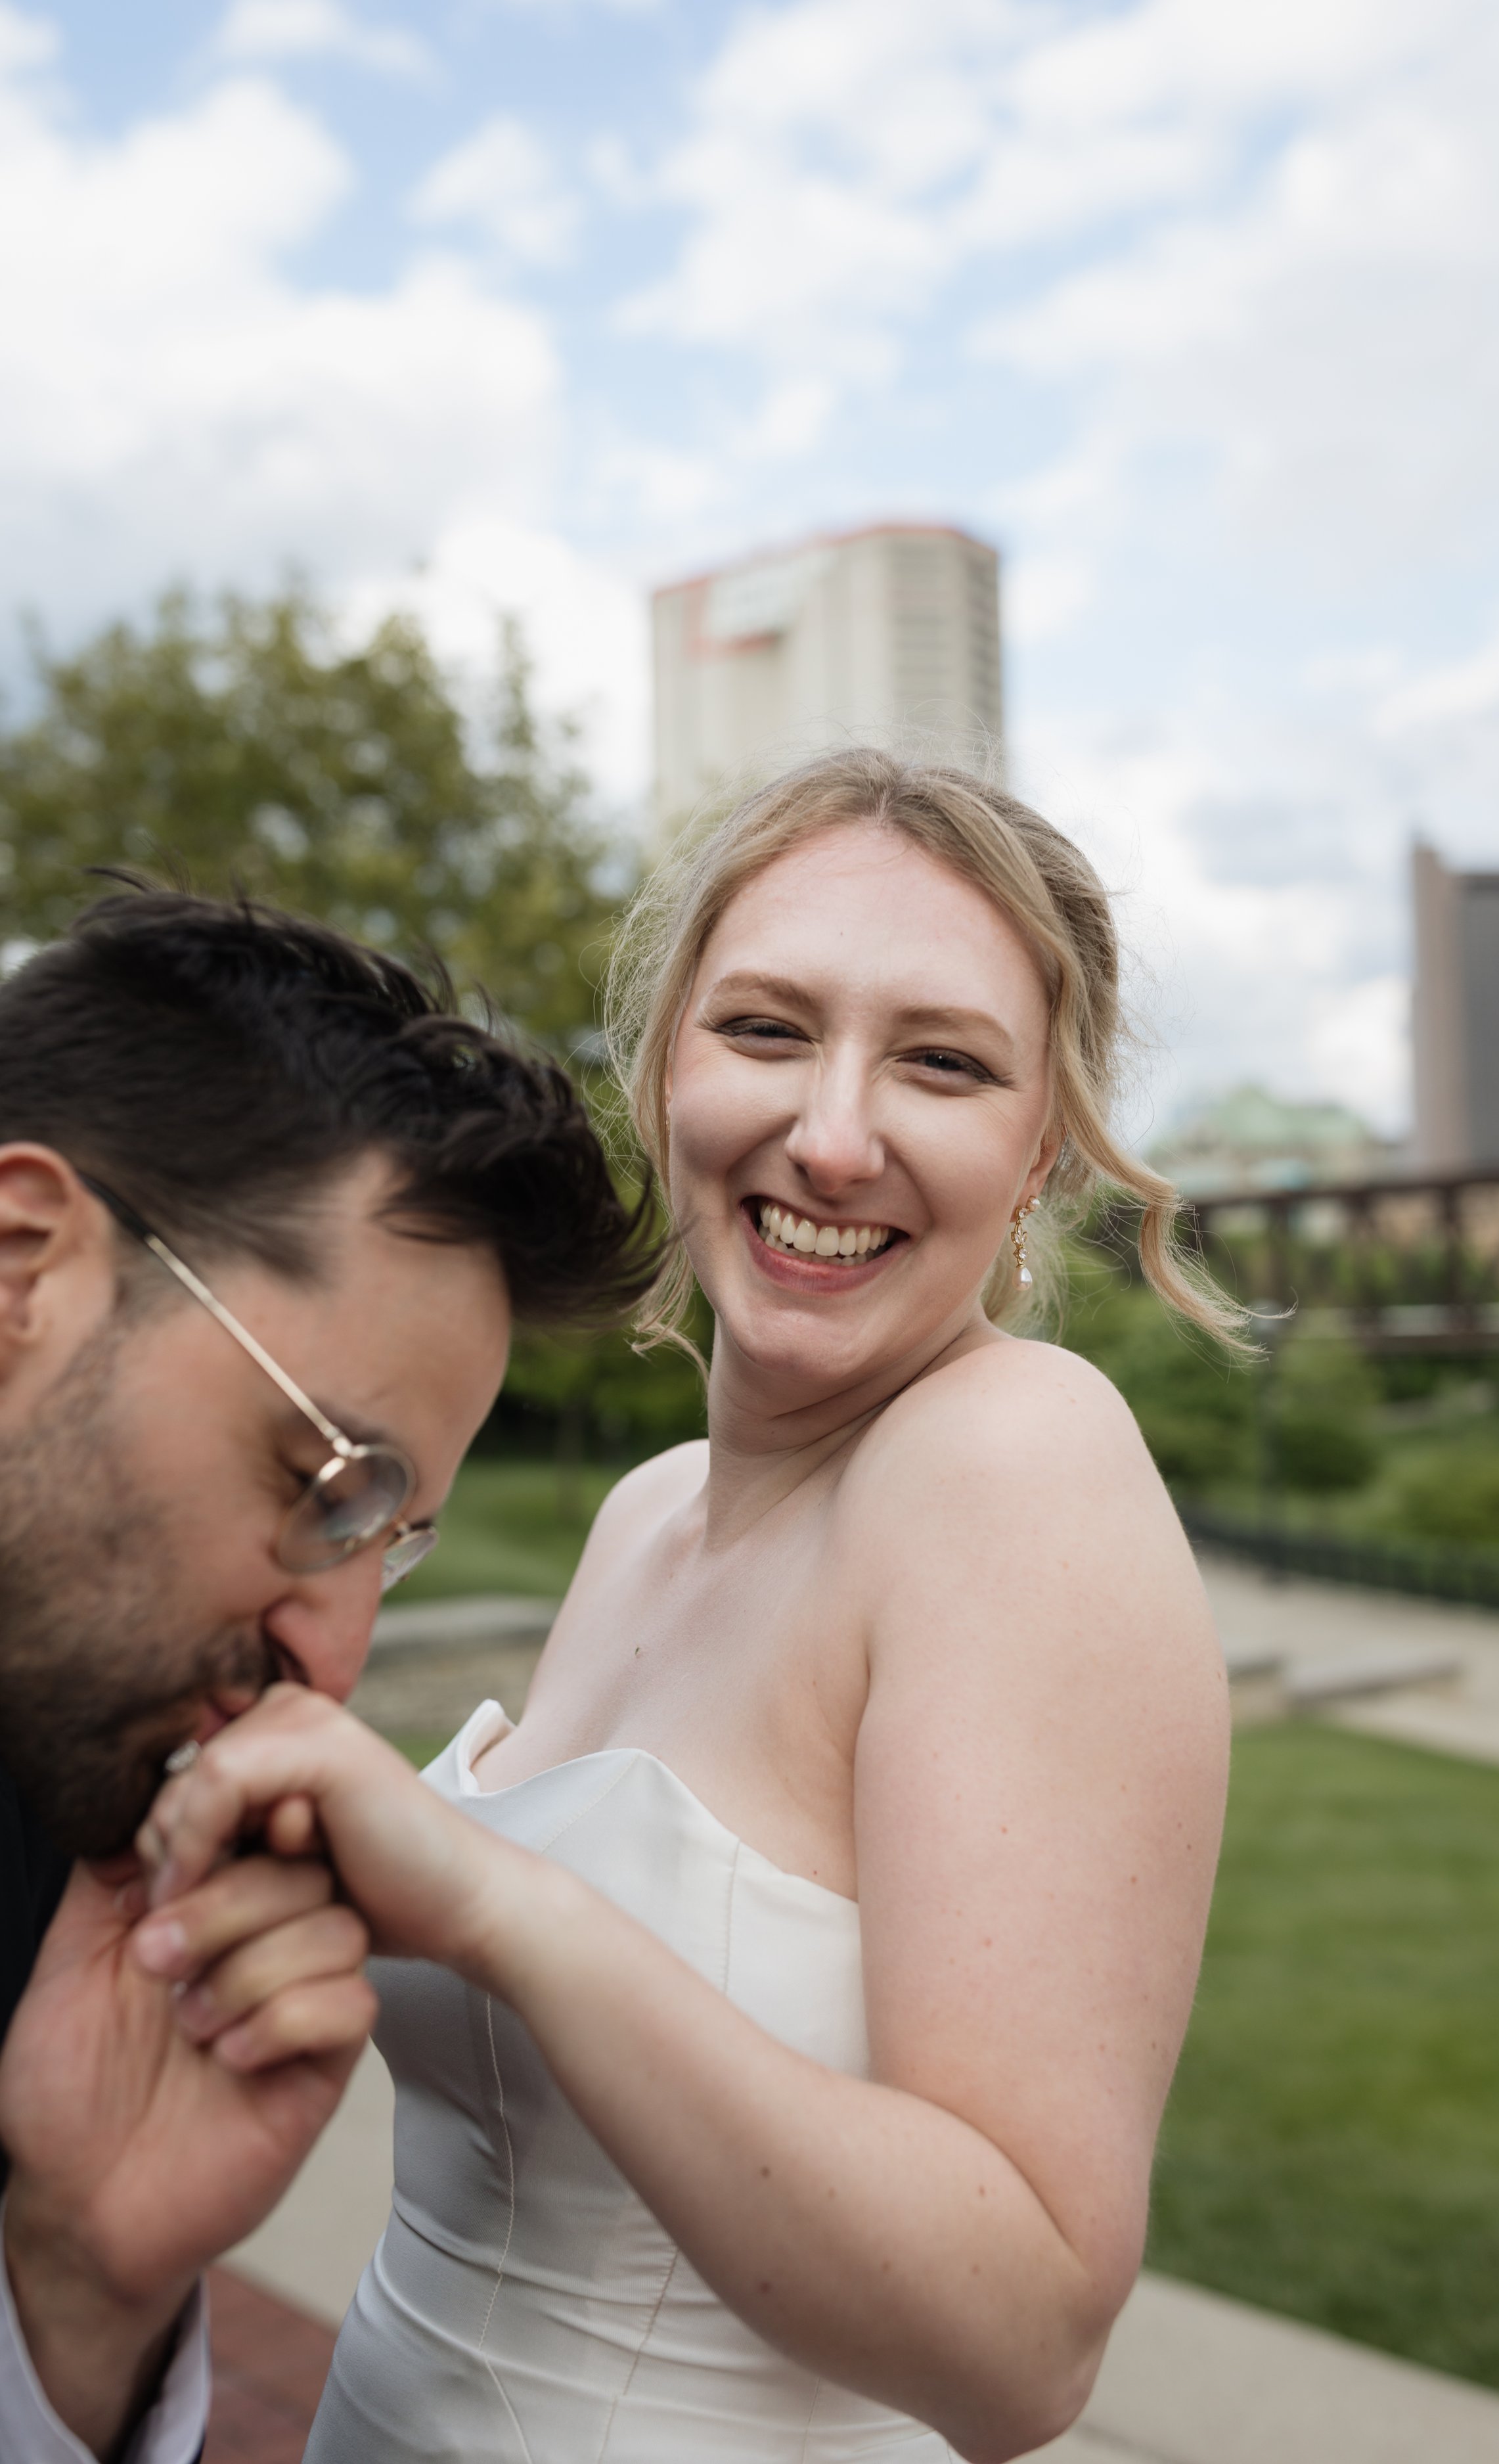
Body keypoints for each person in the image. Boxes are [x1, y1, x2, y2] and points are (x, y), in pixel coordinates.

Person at [141, 752, 1236, 2463]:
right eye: (767, 1028)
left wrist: (495, 1905)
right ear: (661, 1069)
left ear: (1036, 1151)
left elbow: (1023, 2343)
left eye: (939, 1061)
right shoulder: (650, 1511)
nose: (833, 1131)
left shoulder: (1015, 1462)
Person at [0, 885, 656, 2464]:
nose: (337, 1656)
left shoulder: (66, 1860)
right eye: (332, 1480)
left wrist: (74, 2293)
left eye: (393, 1536)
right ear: (23, 1265)